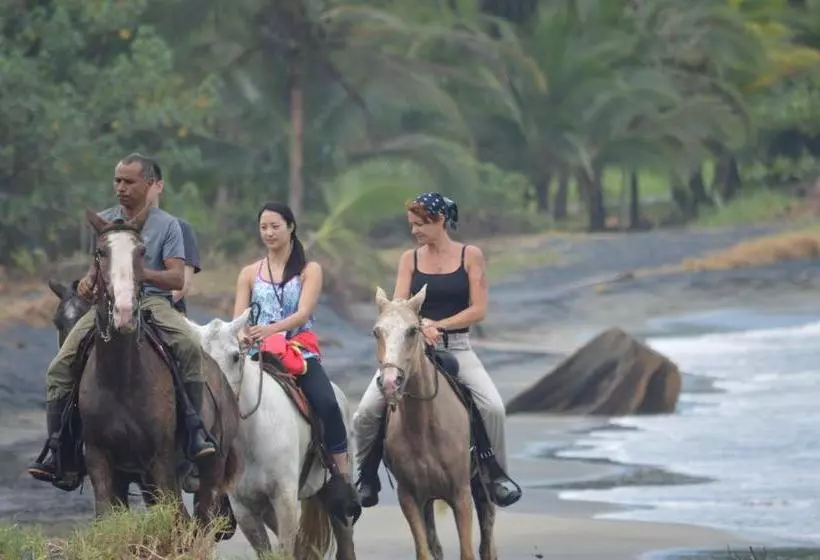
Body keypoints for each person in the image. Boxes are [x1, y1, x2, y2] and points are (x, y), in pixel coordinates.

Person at [27, 153, 216, 486]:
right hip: (106, 307)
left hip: (152, 303)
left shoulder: (167, 225)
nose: (121, 188)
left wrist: (141, 273)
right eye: (117, 180)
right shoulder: (104, 220)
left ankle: (194, 435)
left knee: (187, 345)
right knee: (58, 367)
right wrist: (88, 281)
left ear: (149, 184)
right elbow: (98, 266)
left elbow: (176, 280)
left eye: (129, 181)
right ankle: (59, 452)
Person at [353, 192, 523, 508]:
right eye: (412, 225)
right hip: (411, 350)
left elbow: (479, 309)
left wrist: (439, 325)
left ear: (440, 220)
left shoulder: (470, 256)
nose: (415, 231)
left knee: (493, 407)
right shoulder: (410, 259)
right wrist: (416, 325)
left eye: (420, 224)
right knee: (365, 411)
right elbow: (398, 306)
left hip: (456, 346)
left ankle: (496, 475)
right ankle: (365, 477)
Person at [232, 202, 355, 489]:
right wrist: (243, 336)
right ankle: (218, 484)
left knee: (327, 402)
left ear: (291, 227)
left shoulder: (310, 270)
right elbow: (238, 319)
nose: (269, 233)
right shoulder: (249, 273)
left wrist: (269, 330)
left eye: (275, 226)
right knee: (220, 400)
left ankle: (342, 478)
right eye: (264, 227)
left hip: (298, 351)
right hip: (256, 355)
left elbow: (302, 313)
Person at [145, 162, 202, 316]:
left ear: (159, 186)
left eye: (147, 183)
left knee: (188, 340)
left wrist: (149, 309)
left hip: (168, 311)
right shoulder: (120, 228)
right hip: (122, 312)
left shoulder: (181, 228)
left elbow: (182, 285)